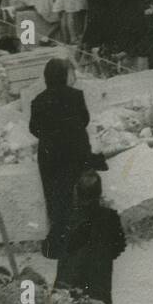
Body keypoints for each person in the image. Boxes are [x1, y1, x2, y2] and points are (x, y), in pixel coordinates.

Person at [29, 58, 95, 260]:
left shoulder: (38, 100)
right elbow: (84, 120)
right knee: (77, 195)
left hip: (49, 156)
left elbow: (34, 129)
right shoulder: (75, 96)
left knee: (55, 198)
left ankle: (57, 244)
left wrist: (51, 135)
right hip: (74, 152)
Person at [54, 170, 126, 304]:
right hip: (99, 283)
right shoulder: (110, 217)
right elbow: (118, 247)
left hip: (70, 284)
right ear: (99, 193)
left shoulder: (67, 218)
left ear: (77, 193)